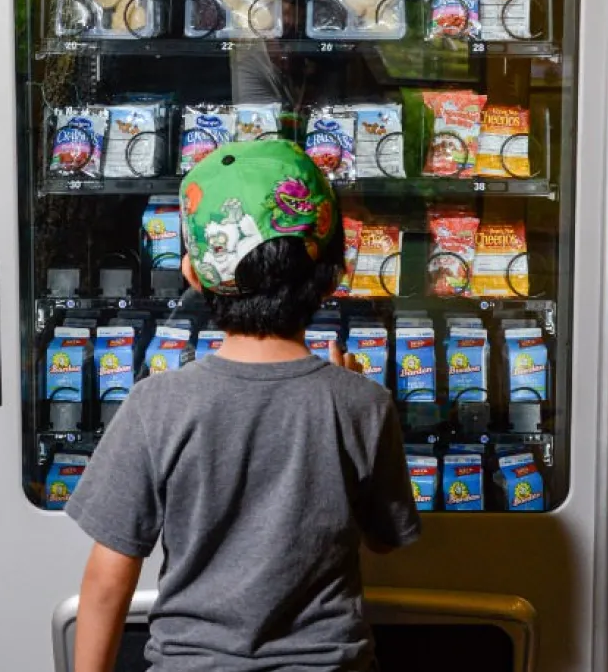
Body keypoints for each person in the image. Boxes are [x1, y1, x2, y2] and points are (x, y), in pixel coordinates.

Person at [65, 139, 421, 672]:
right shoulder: (363, 404)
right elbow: (386, 539)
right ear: (333, 275)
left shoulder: (155, 403)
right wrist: (348, 391)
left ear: (192, 273)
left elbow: (108, 578)